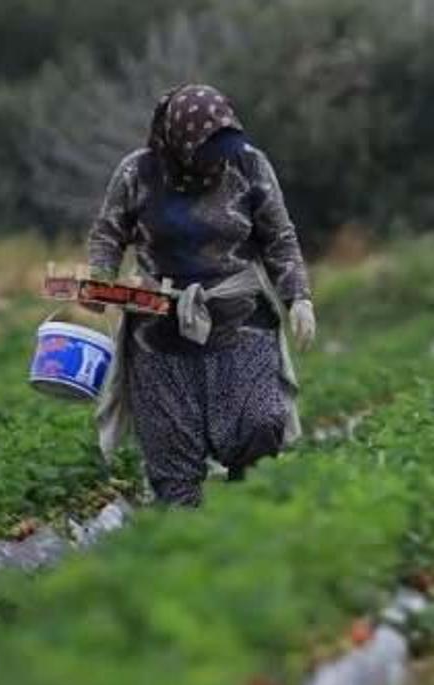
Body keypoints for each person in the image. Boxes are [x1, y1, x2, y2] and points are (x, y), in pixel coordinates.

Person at [86, 83, 316, 507]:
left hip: (239, 322)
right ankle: (186, 544)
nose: (220, 157)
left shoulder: (249, 167)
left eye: (226, 144)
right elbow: (107, 233)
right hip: (159, 333)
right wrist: (99, 280)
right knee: (172, 455)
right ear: (182, 141)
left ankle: (245, 514)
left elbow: (279, 237)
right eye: (210, 148)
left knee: (261, 422)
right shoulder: (137, 173)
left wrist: (297, 296)